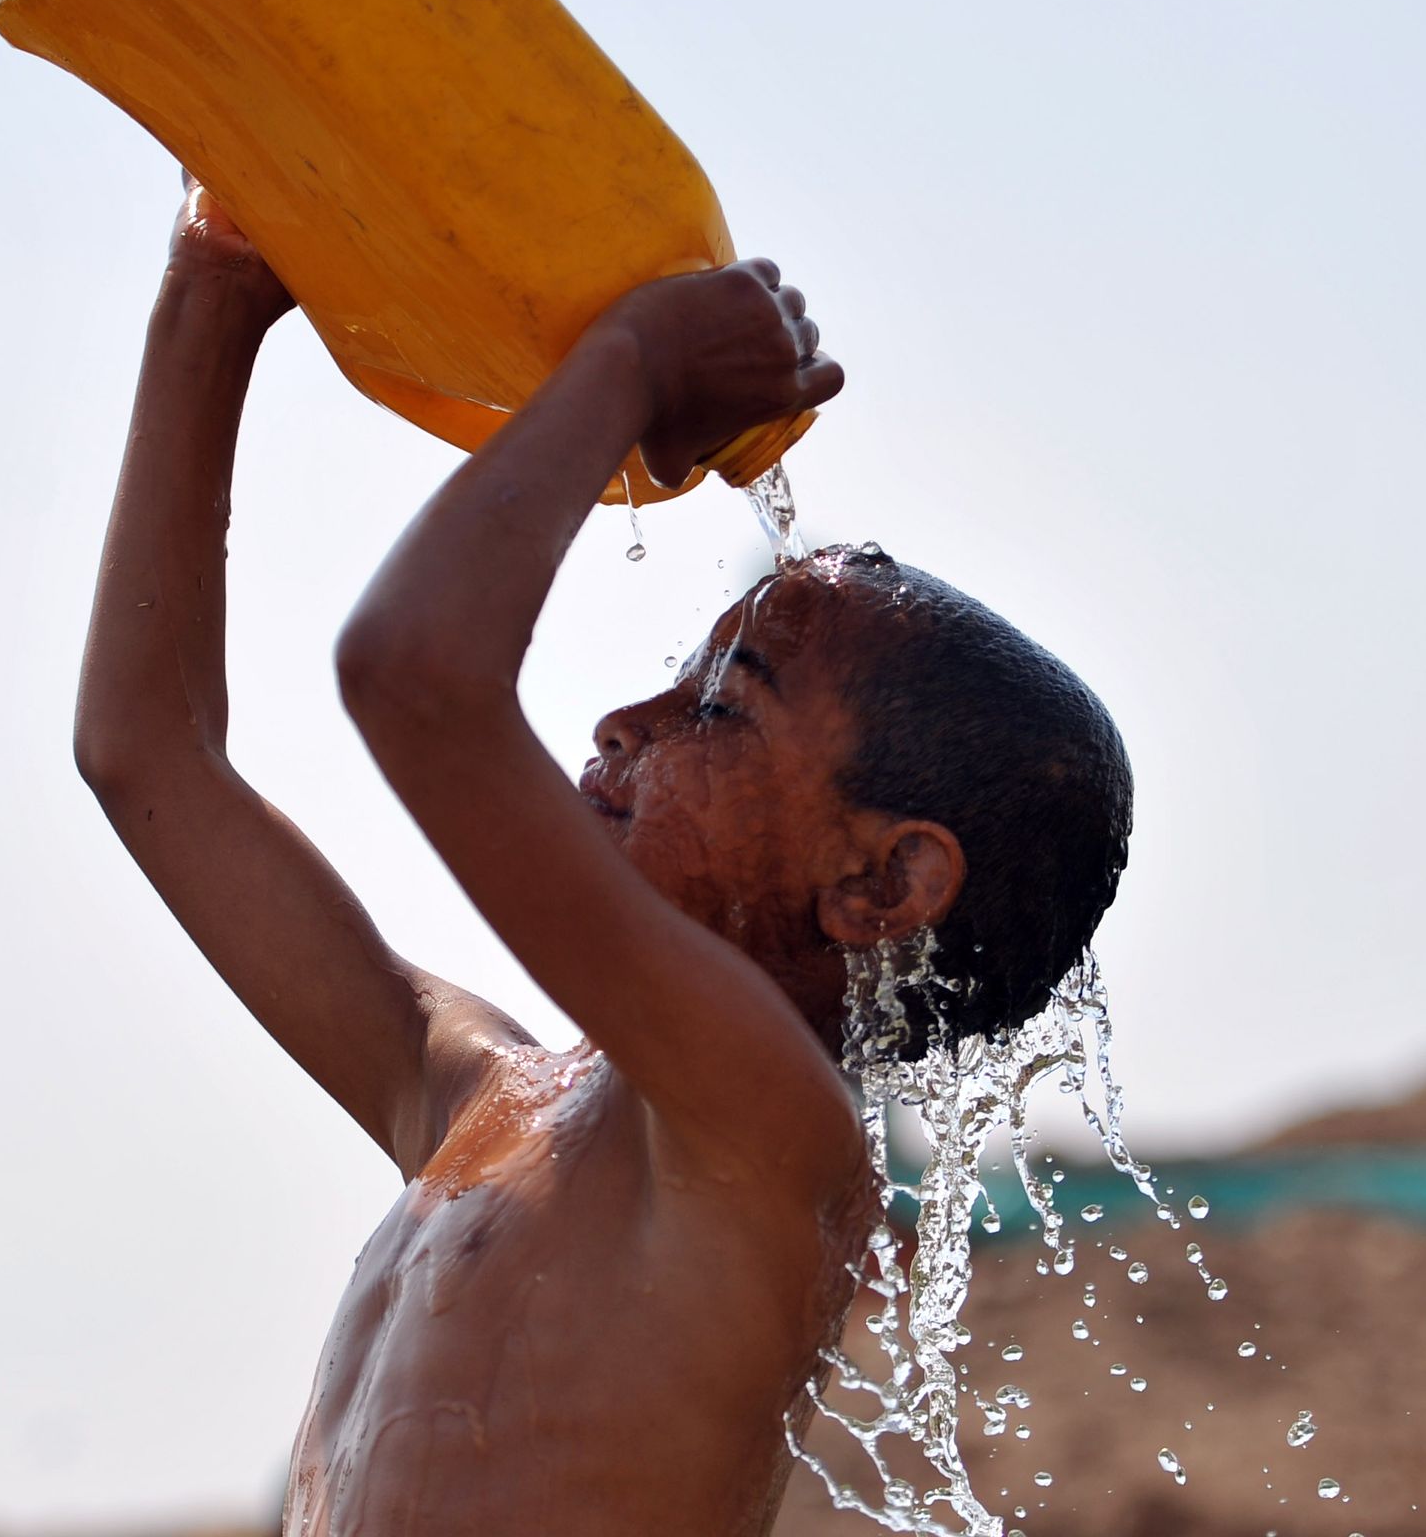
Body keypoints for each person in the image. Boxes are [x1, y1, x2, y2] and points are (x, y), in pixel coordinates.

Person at [73, 176, 1135, 1535]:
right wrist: (213, 292)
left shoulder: (772, 1143)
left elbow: (415, 674)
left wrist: (630, 368)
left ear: (882, 884)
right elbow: (147, 754)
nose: (621, 723)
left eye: (720, 706)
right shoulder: (475, 1103)